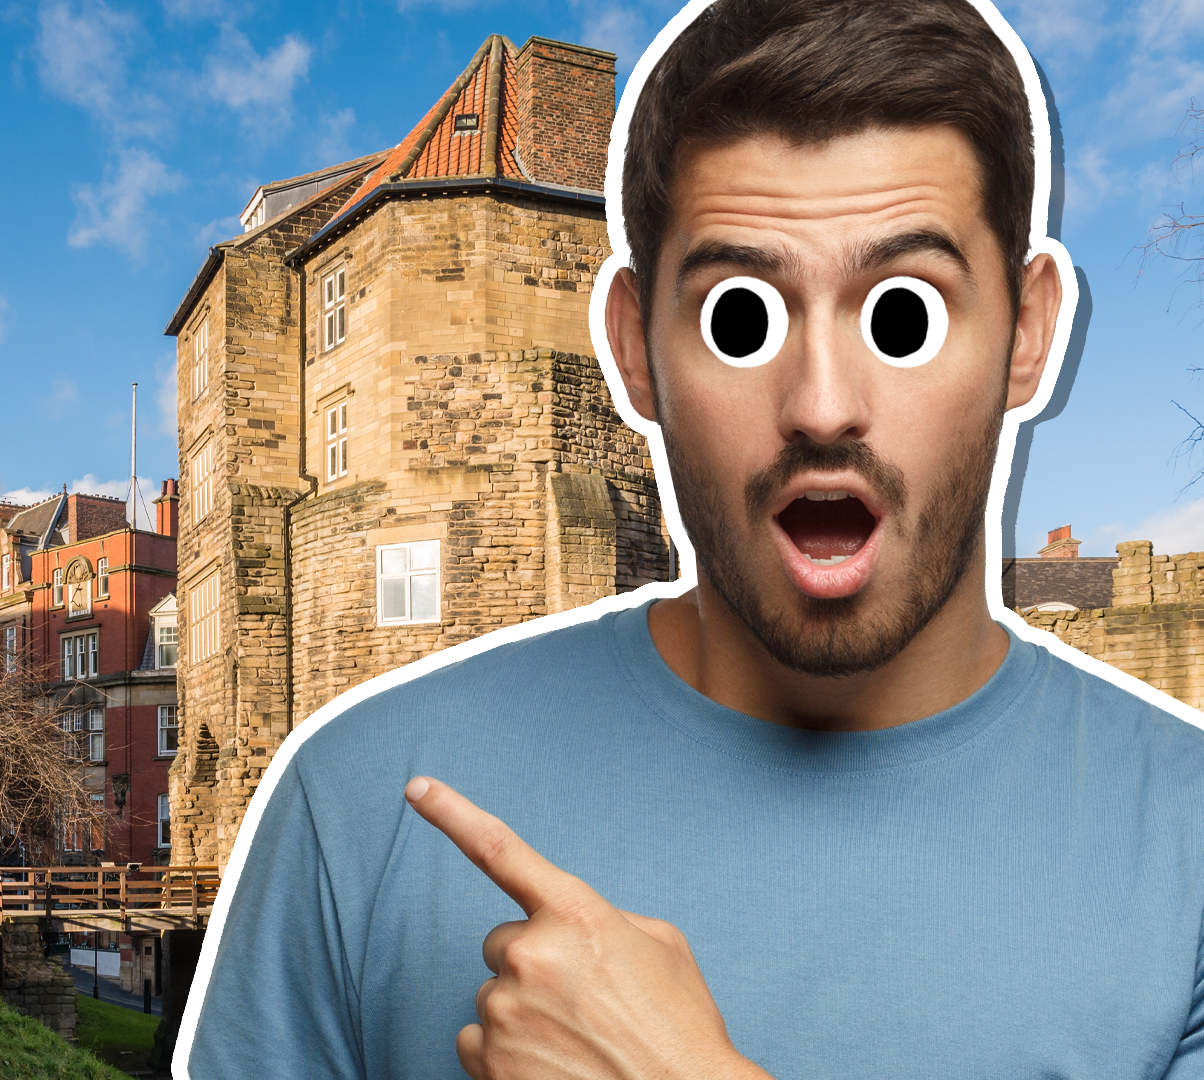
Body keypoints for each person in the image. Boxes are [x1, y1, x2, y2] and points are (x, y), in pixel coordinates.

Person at [180, 2, 1204, 1078]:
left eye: (906, 314)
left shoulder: (1184, 845)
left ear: (1030, 333)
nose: (821, 405)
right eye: (741, 316)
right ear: (631, 347)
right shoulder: (355, 807)